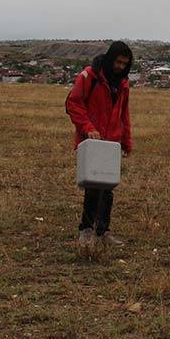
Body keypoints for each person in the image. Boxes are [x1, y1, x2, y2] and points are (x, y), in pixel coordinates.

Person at [66, 41, 134, 250]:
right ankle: (86, 229)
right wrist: (88, 128)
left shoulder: (123, 84)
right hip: (92, 141)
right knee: (93, 186)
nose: (120, 67)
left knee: (108, 187)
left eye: (125, 63)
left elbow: (124, 113)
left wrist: (126, 141)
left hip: (111, 142)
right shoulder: (89, 76)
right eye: (118, 62)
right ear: (110, 57)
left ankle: (103, 231)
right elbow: (73, 104)